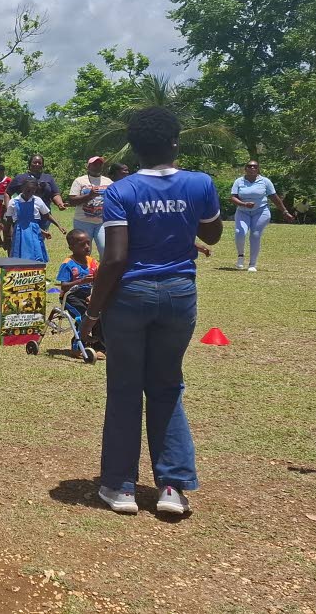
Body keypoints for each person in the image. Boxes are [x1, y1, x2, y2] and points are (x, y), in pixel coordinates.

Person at [81, 106, 223, 516]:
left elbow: (114, 258)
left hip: (130, 297)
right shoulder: (201, 184)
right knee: (167, 386)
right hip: (179, 294)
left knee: (125, 388)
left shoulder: (120, 192)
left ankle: (120, 487)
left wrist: (92, 313)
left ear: (136, 148)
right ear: (175, 142)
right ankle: (172, 488)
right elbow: (211, 231)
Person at [230, 160, 294, 271]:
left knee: (255, 235)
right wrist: (244, 204)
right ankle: (240, 256)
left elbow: (274, 198)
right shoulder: (239, 181)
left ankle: (252, 264)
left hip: (261, 211)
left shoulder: (265, 181)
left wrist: (285, 212)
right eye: (249, 166)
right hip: (242, 211)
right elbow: (233, 197)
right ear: (245, 169)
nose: (252, 168)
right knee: (240, 232)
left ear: (258, 169)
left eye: (255, 166)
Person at [57, 229, 104, 359]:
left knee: (98, 315)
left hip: (86, 296)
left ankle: (100, 347)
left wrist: (93, 295)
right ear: (72, 247)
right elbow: (64, 286)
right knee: (84, 316)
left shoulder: (93, 262)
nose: (87, 247)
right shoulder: (68, 264)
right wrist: (81, 281)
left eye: (88, 243)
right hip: (70, 297)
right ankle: (77, 347)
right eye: (82, 245)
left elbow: (99, 280)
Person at [4, 179, 64, 262]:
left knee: (36, 253)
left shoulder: (37, 200)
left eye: (33, 191)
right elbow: (9, 221)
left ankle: (36, 272)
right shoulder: (13, 202)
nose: (30, 193)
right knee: (19, 255)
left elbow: (47, 215)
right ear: (22, 188)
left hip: (34, 231)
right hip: (19, 232)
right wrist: (6, 238)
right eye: (28, 190)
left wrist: (58, 226)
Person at [69, 156, 114, 257]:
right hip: (83, 222)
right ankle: (86, 272)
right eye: (94, 164)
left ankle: (104, 272)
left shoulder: (109, 182)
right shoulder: (79, 181)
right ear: (88, 167)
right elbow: (71, 201)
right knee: (84, 251)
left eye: (100, 164)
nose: (97, 166)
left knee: (105, 249)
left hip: (102, 222)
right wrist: (89, 196)